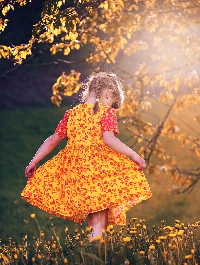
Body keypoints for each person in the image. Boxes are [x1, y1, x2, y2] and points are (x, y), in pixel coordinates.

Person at [21, 71, 152, 239]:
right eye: (112, 102)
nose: (111, 106)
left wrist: (34, 161)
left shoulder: (71, 114)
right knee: (99, 222)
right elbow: (109, 140)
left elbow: (53, 140)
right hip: (99, 169)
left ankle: (93, 254)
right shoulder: (106, 112)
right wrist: (134, 155)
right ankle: (95, 254)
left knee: (96, 219)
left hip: (77, 172)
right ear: (108, 93)